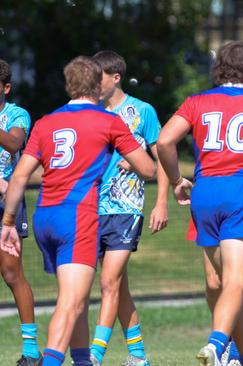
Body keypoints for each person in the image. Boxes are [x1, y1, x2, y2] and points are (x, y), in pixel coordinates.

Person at [0, 56, 154, 366]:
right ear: (98, 85)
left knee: (76, 299)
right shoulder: (109, 121)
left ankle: (82, 361)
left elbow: (19, 176)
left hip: (46, 215)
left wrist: (7, 221)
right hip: (77, 216)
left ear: (69, 85)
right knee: (70, 303)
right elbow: (148, 169)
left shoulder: (46, 122)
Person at [156, 41, 243, 366]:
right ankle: (216, 342)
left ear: (218, 69)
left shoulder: (197, 101)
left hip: (204, 193)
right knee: (236, 282)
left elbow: (164, 141)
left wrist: (178, 180)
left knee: (225, 285)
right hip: (242, 194)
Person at [88, 50, 168, 366]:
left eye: (99, 77)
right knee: (117, 285)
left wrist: (161, 202)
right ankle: (137, 356)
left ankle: (93, 355)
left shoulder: (141, 111)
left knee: (109, 282)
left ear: (116, 77)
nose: (93, 84)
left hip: (125, 206)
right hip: (92, 207)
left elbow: (161, 155)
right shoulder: (90, 112)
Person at [0, 58, 40, 366]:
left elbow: (14, 144)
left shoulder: (17, 114)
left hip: (7, 205)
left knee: (12, 272)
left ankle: (30, 350)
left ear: (6, 88)